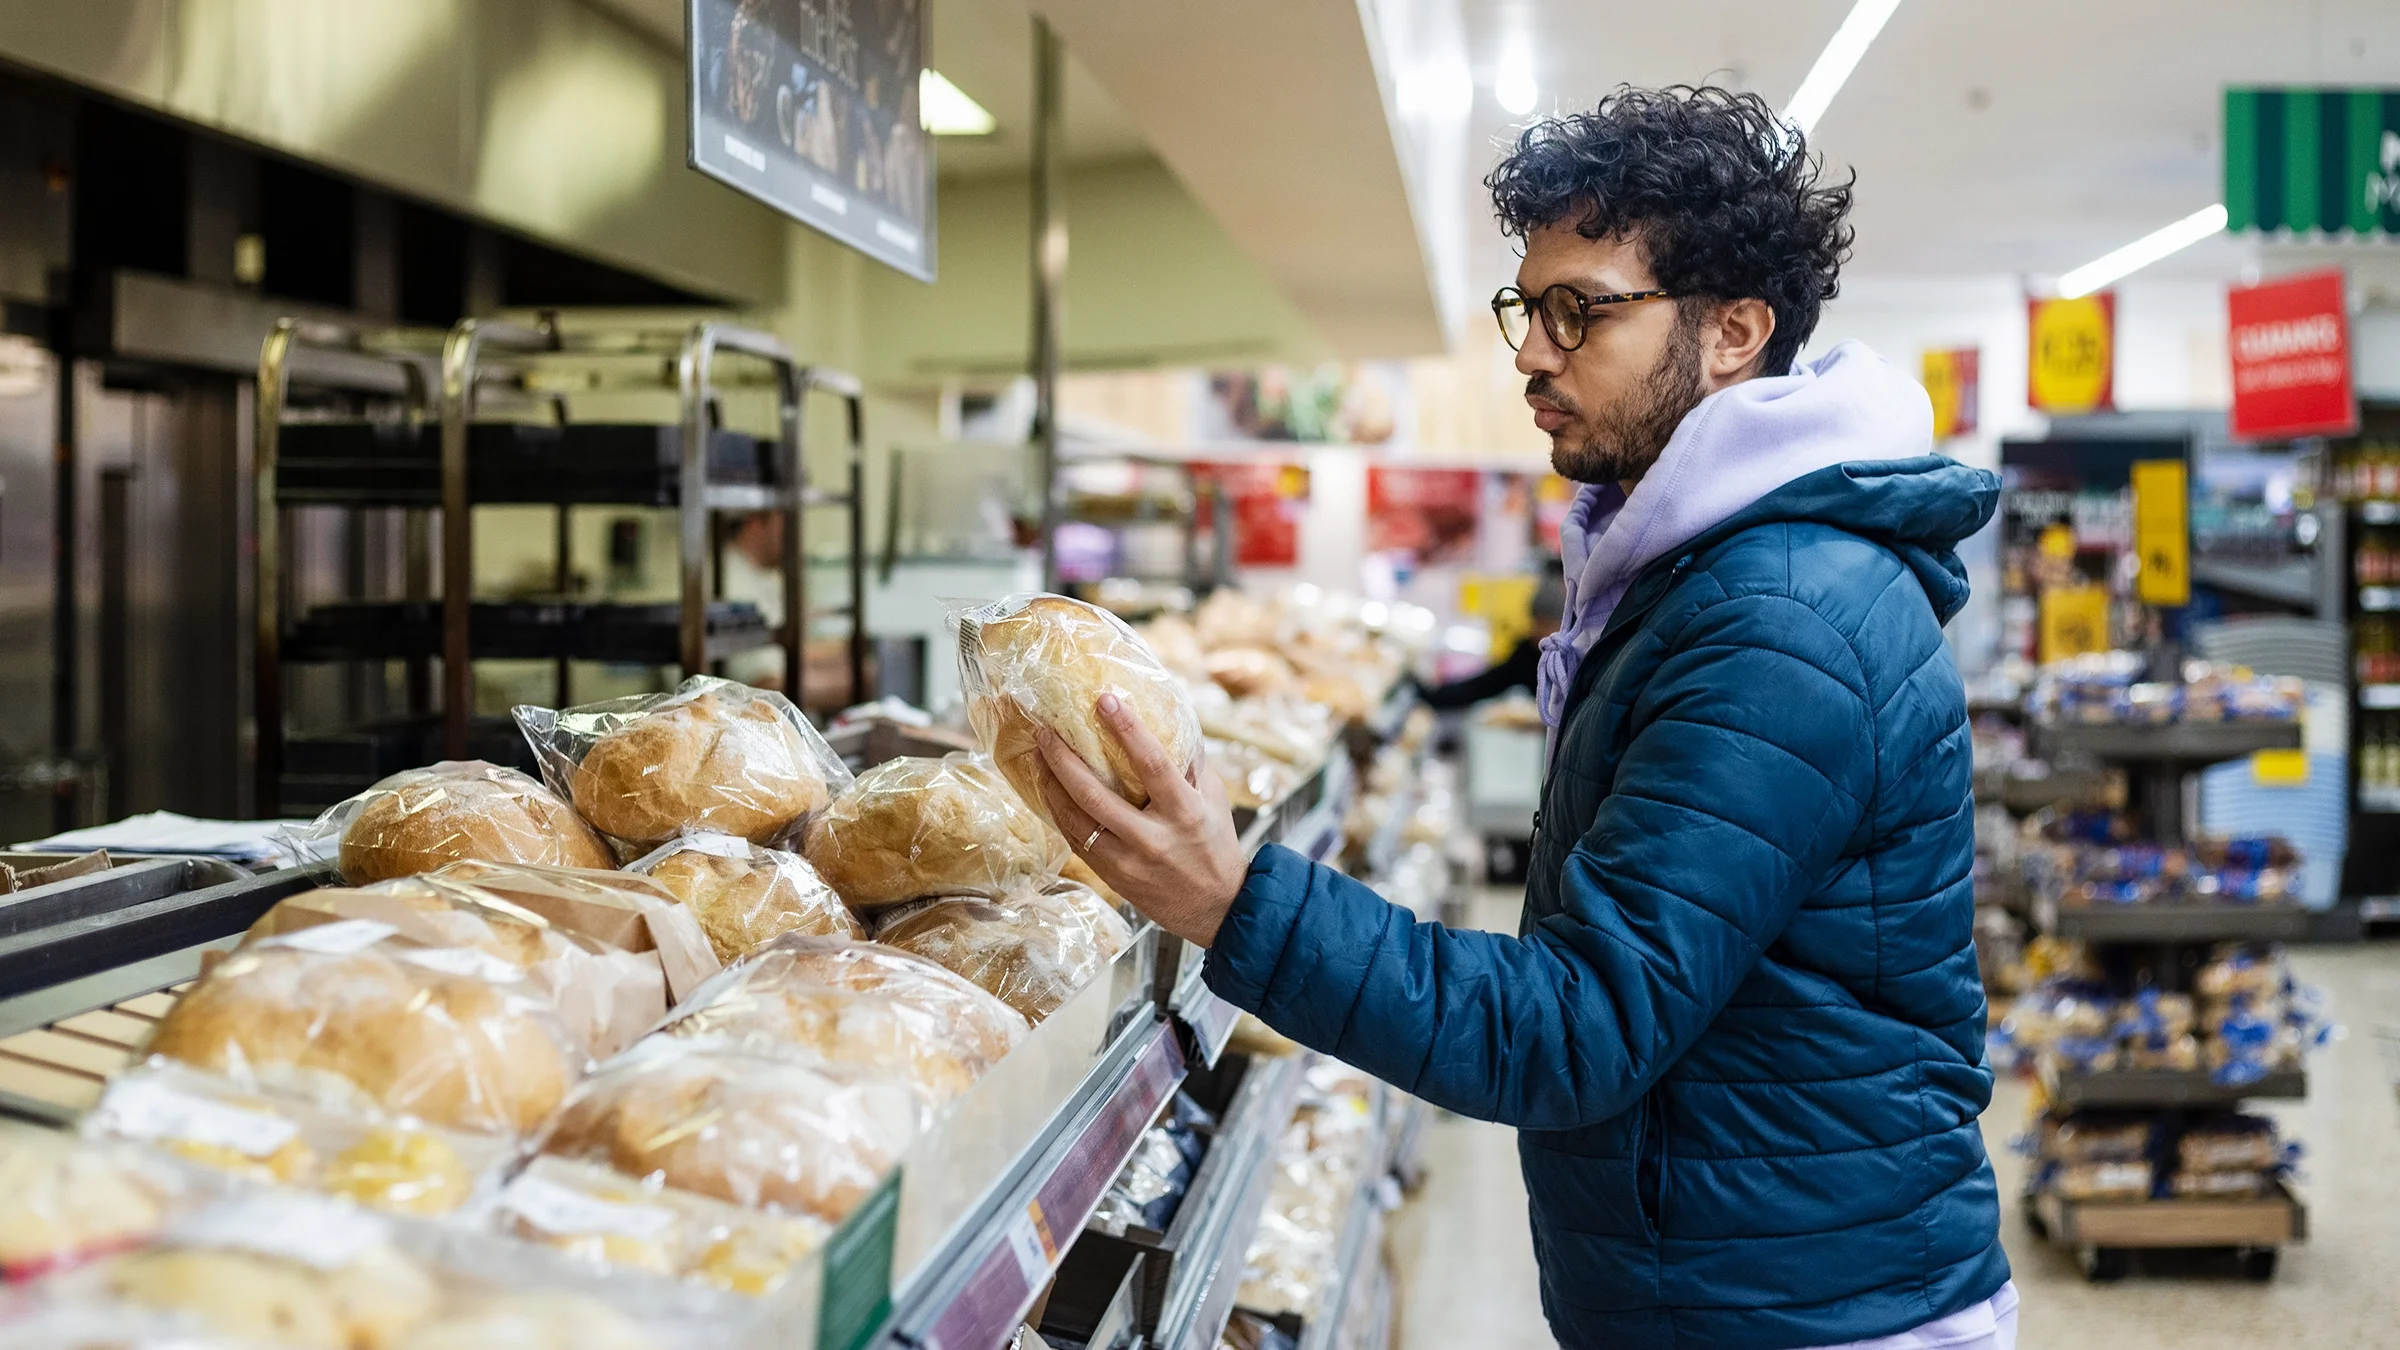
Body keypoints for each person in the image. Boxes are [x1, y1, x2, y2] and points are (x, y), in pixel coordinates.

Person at [1036, 87, 2012, 1350]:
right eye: (1526, 306)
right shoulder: (1701, 574)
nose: (1530, 351)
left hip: (1806, 1309)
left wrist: (1236, 902)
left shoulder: (1781, 621)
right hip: (1756, 1278)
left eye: (1579, 312)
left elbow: (1578, 1024)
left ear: (1734, 333)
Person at [1413, 565, 1564, 710]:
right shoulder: (1528, 655)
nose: (1538, 633)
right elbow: (1484, 685)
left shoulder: (1569, 659)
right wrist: (1431, 694)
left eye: (1546, 625)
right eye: (1535, 623)